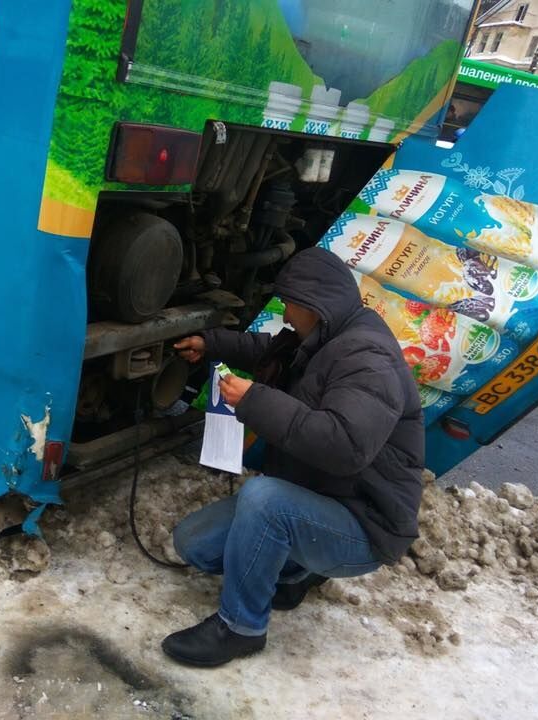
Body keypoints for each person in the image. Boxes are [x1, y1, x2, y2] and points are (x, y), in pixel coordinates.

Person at [163, 247, 425, 667]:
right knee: (193, 544)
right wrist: (210, 344)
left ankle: (240, 628)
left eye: (288, 304)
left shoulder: (367, 359)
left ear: (313, 303)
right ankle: (299, 571)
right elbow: (266, 350)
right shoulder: (323, 337)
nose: (285, 315)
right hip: (321, 497)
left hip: (363, 521)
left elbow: (344, 446)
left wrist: (255, 400)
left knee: (265, 501)